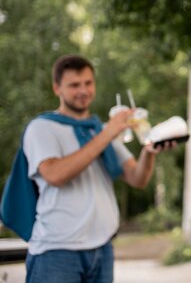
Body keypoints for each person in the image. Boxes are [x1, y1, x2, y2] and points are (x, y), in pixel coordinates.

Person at [21, 54, 175, 283]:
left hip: (102, 250)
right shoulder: (42, 128)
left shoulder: (99, 130)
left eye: (88, 83)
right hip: (57, 251)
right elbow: (55, 174)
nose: (83, 90)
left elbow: (137, 178)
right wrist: (108, 133)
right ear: (57, 88)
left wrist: (148, 151)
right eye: (74, 85)